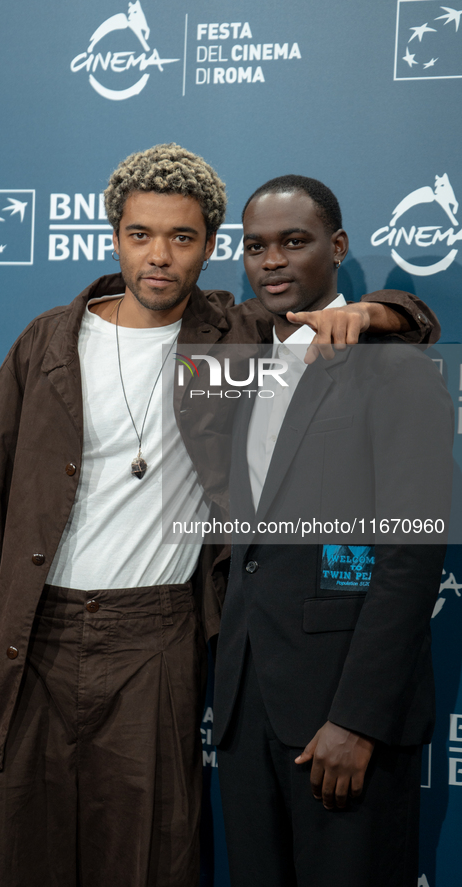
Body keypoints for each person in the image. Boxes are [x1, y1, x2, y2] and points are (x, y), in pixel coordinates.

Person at [0, 148, 436, 887]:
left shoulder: (227, 334)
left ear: (206, 250)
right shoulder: (45, 344)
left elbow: (383, 324)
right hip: (31, 636)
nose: (158, 256)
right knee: (10, 850)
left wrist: (387, 307)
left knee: (147, 858)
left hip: (156, 638)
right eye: (139, 234)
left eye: (182, 239)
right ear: (114, 236)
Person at [213, 175, 454, 887]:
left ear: (337, 246)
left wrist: (357, 720)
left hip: (342, 724)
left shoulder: (395, 369)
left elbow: (409, 555)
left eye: (294, 241)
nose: (273, 261)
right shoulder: (244, 362)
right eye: (256, 247)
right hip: (245, 710)